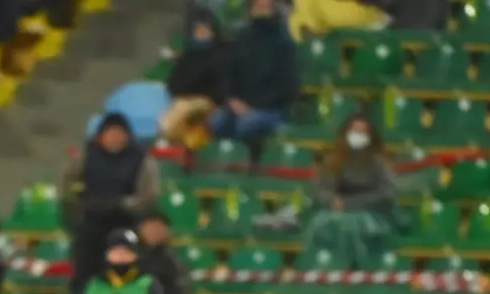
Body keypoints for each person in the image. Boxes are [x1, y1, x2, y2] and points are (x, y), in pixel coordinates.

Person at [62, 112, 160, 293]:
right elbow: (67, 187)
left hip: (126, 222)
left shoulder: (141, 159)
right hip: (91, 223)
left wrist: (123, 204)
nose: (115, 137)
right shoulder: (86, 156)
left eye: (119, 133)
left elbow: (148, 195)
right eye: (110, 133)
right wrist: (83, 204)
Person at [307, 113, 397, 271]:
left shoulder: (379, 162)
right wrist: (332, 201)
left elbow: (387, 194)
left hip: (371, 213)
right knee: (321, 223)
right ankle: (328, 267)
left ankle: (359, 268)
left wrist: (350, 204)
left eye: (362, 132)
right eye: (355, 131)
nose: (358, 135)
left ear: (370, 136)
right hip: (336, 212)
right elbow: (320, 190)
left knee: (353, 225)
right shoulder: (333, 160)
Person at [209, 0, 298, 149]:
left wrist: (252, 106)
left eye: (265, 6)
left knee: (245, 125)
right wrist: (231, 99)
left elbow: (287, 88)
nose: (261, 10)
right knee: (215, 123)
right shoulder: (241, 38)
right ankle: (219, 160)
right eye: (257, 5)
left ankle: (246, 160)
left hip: (271, 109)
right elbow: (228, 73)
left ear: (273, 9)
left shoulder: (284, 43)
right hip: (238, 106)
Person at [160, 9, 231, 148]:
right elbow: (173, 84)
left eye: (206, 28)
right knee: (177, 118)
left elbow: (222, 84)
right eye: (198, 29)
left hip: (210, 103)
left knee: (176, 116)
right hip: (184, 101)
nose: (202, 32)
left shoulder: (223, 53)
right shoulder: (188, 56)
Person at [137, 211, 191, 294]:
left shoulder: (172, 257)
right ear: (141, 229)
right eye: (150, 227)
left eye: (159, 227)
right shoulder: (132, 255)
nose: (154, 232)